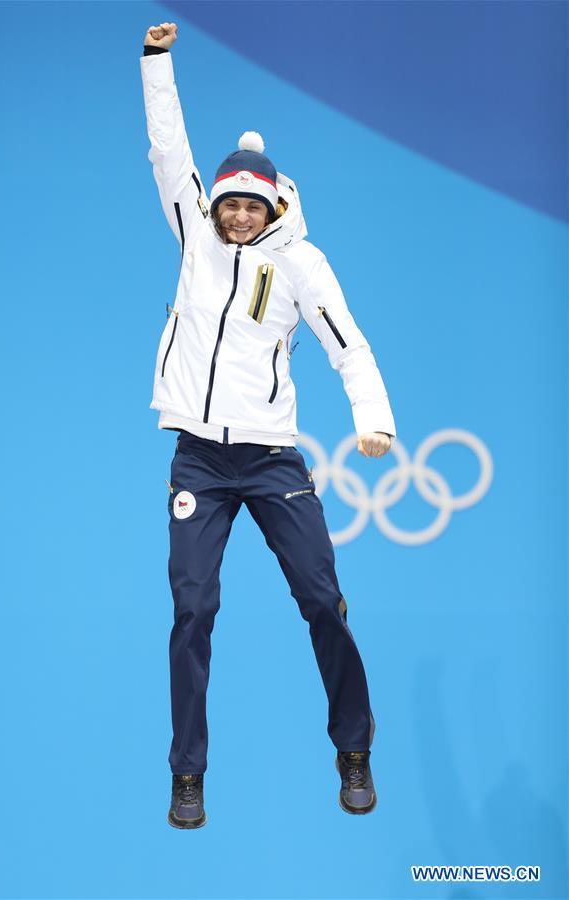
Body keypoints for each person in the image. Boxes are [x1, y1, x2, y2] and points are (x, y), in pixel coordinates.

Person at [140, 21, 397, 830]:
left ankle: (353, 746)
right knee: (192, 610)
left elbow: (346, 343)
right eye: (230, 204)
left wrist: (374, 419)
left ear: (275, 203)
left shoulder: (300, 262)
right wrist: (157, 62)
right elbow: (168, 151)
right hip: (200, 461)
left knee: (322, 599)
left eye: (254, 204)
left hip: (273, 459)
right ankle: (189, 772)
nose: (240, 216)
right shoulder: (195, 239)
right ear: (213, 207)